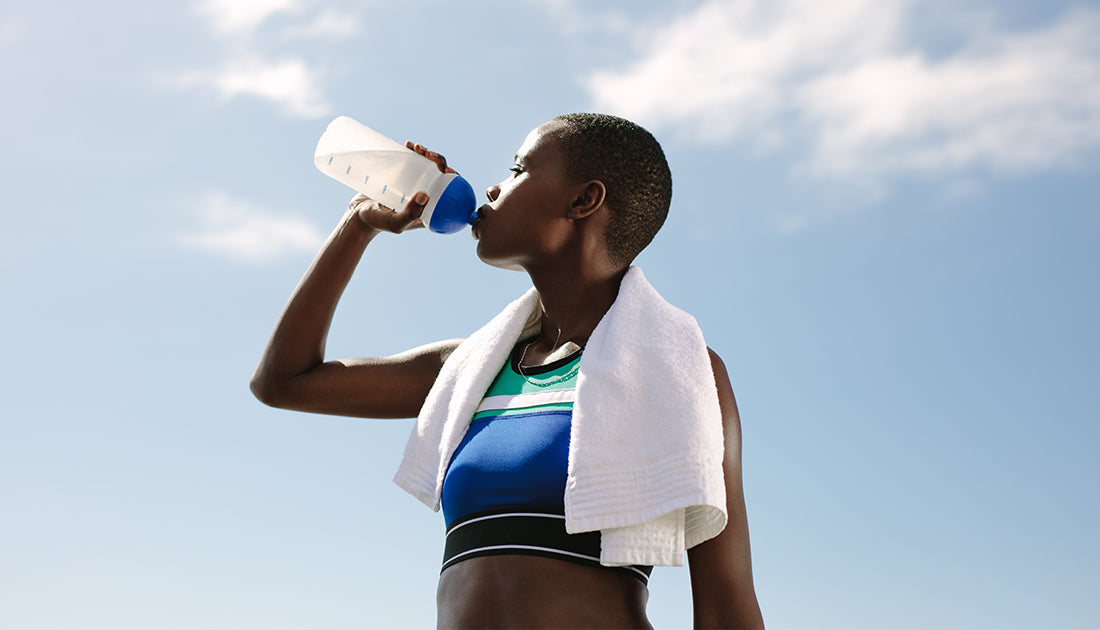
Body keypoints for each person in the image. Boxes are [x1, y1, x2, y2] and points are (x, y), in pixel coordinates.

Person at [251, 113, 764, 629]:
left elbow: (725, 606)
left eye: (518, 169)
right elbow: (284, 381)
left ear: (583, 201)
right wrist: (358, 223)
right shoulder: (472, 368)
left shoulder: (676, 369)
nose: (493, 188)